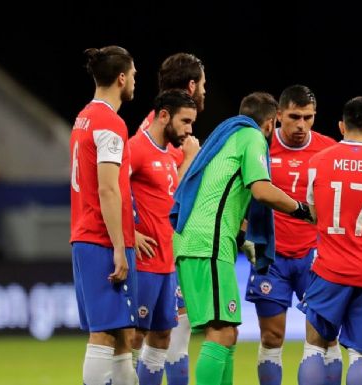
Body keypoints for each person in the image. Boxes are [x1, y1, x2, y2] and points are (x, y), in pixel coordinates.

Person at [170, 91, 313, 385]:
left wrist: (243, 232)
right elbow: (261, 189)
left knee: (229, 332)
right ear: (271, 122)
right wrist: (303, 210)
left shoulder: (226, 138)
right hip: (207, 245)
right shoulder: (251, 137)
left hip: (201, 242)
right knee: (221, 332)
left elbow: (218, 196)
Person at [297, 96, 362, 385]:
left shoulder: (318, 162)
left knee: (315, 346)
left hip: (329, 267)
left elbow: (316, 214)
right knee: (360, 355)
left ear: (342, 126)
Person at [244, 85, 339, 385]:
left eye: (308, 117)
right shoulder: (259, 147)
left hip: (315, 257)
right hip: (271, 258)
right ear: (278, 115)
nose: (301, 125)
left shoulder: (328, 150)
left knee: (327, 336)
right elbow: (238, 196)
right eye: (294, 116)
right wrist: (245, 232)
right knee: (272, 337)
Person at [134, 52, 205, 385]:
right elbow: (171, 190)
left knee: (170, 332)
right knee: (150, 333)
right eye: (204, 84)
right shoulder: (158, 134)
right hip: (157, 250)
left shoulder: (169, 127)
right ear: (192, 85)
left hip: (171, 247)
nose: (205, 91)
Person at [70, 45, 139, 385]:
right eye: (134, 76)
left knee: (123, 332)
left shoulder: (83, 117)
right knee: (103, 334)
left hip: (87, 236)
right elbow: (108, 189)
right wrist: (118, 246)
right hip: (100, 239)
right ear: (121, 78)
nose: (135, 83)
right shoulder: (110, 122)